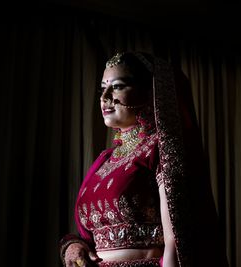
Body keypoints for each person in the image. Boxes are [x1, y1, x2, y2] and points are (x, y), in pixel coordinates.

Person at [59, 51, 228, 267]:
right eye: (103, 88)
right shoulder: (105, 160)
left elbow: (176, 238)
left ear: (149, 92)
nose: (105, 97)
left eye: (118, 86)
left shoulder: (159, 147)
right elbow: (88, 235)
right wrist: (73, 246)